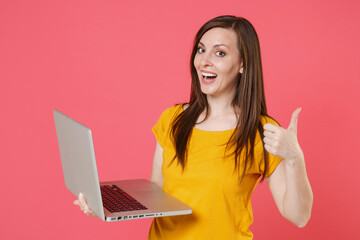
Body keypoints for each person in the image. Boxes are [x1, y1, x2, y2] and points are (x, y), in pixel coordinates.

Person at [74, 15, 313, 239]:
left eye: (219, 53)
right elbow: (157, 189)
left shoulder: (261, 131)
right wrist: (106, 207)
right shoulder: (173, 119)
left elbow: (299, 217)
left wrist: (295, 158)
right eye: (201, 50)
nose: (204, 61)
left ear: (243, 64)